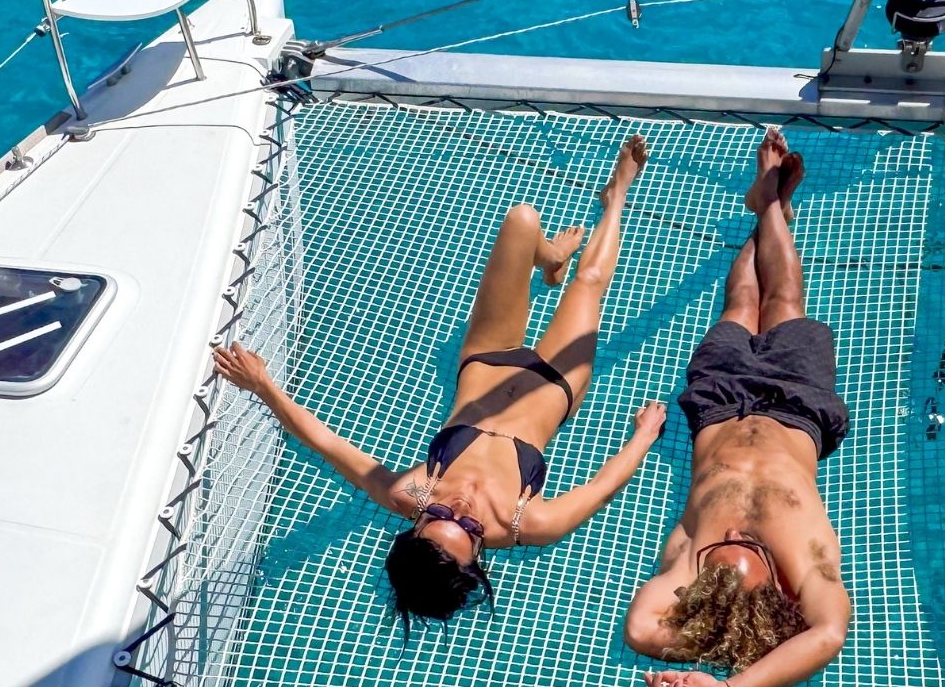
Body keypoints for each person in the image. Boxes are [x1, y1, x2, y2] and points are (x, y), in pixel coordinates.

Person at [213, 134, 666, 635]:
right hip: (555, 383)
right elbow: (603, 486)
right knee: (590, 281)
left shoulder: (410, 493)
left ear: (416, 527)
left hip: (487, 358)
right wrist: (645, 433)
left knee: (521, 220)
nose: (465, 508)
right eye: (470, 529)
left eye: (445, 516)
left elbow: (323, 441)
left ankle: (549, 256)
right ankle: (619, 192)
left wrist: (263, 387)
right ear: (477, 557)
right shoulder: (531, 525)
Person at [623, 128, 851, 687]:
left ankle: (767, 206)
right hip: (796, 406)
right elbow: (828, 635)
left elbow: (643, 631)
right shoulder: (805, 566)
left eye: (719, 555)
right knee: (784, 303)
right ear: (775, 592)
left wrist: (684, 668)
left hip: (718, 404)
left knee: (740, 306)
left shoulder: (687, 566)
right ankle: (770, 205)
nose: (731, 538)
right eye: (740, 555)